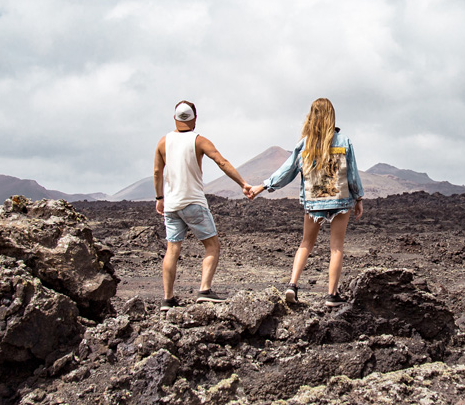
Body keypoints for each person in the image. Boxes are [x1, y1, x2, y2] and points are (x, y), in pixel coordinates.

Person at [245, 98, 363, 306]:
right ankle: (331, 295)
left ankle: (292, 284)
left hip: (314, 203)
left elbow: (286, 172)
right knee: (336, 248)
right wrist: (358, 198)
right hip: (341, 201)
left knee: (306, 244)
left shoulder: (304, 144)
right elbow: (352, 175)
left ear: (312, 117)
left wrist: (262, 187)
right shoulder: (344, 141)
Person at [154, 100, 251, 308]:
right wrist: (242, 183)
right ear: (195, 119)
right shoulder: (199, 141)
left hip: (171, 206)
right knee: (212, 246)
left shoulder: (163, 142)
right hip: (193, 203)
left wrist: (159, 198)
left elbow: (157, 171)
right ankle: (204, 289)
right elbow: (221, 161)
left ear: (174, 118)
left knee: (172, 249)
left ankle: (167, 299)